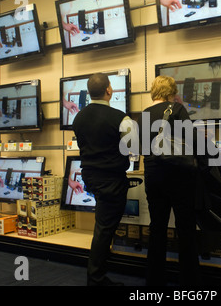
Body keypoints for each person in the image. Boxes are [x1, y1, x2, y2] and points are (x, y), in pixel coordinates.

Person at [137, 75, 201, 286]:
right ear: (171, 92)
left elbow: (140, 148)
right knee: (186, 229)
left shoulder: (144, 114)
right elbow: (192, 142)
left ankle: (154, 283)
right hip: (179, 176)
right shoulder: (177, 110)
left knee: (157, 228)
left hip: (153, 176)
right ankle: (189, 283)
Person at [72, 73, 135, 286]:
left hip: (91, 177)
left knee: (103, 225)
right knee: (104, 229)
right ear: (109, 90)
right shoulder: (120, 118)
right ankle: (96, 279)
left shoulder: (78, 118)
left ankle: (97, 277)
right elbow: (132, 149)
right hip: (112, 180)